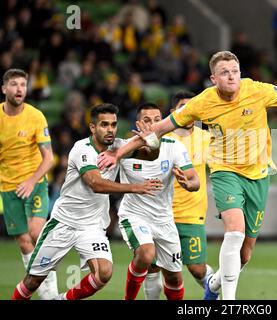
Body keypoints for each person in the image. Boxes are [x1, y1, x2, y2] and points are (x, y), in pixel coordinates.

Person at [97, 51, 277, 300]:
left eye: (235, 70)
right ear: (213, 78)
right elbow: (155, 131)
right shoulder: (202, 102)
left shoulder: (257, 90)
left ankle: (214, 284)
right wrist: (117, 155)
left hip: (259, 176)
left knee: (245, 253)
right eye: (225, 72)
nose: (231, 76)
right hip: (225, 172)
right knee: (235, 232)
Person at [11, 103, 159, 300]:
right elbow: (96, 184)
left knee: (104, 273)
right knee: (32, 281)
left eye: (113, 125)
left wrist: (152, 141)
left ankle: (62, 299)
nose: (110, 130)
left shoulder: (118, 147)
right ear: (93, 127)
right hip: (63, 223)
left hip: (91, 227)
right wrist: (135, 188)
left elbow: (150, 156)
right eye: (104, 125)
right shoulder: (82, 149)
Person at [118, 103, 200, 300]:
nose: (153, 124)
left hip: (164, 219)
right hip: (134, 215)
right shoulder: (124, 149)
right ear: (138, 124)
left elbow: (194, 180)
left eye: (157, 120)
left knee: (173, 277)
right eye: (147, 120)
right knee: (146, 254)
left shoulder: (174, 147)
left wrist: (187, 184)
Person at [142, 92, 214, 300]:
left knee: (197, 269)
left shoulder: (206, 138)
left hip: (192, 215)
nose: (189, 111)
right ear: (173, 113)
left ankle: (221, 295)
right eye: (183, 107)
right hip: (160, 214)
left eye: (192, 107)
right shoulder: (161, 139)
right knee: (154, 268)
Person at [0, 68, 58, 299]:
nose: (19, 89)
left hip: (35, 182)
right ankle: (44, 294)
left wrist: (31, 180)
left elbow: (49, 158)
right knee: (24, 243)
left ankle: (52, 293)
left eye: (23, 85)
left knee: (36, 233)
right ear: (4, 89)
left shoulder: (35, 116)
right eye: (14, 84)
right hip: (8, 187)